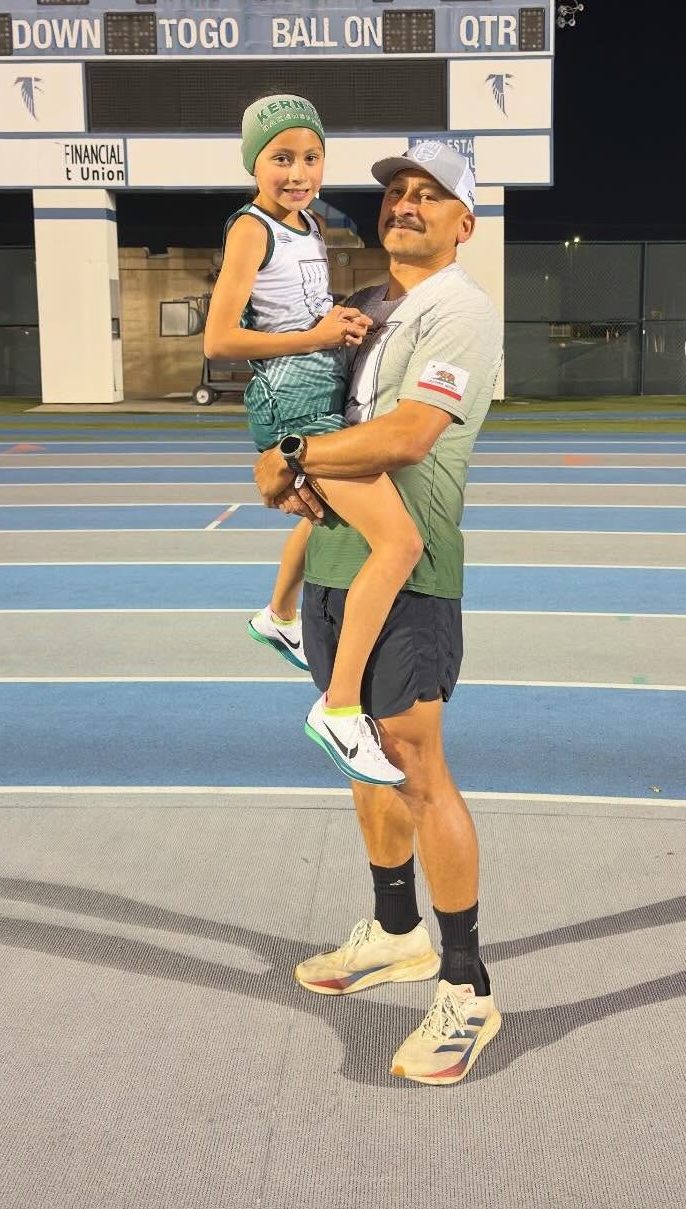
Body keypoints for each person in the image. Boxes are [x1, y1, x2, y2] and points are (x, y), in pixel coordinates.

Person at [252, 140, 504, 1085]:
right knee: (362, 757)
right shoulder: (371, 306)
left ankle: (467, 987)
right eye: (397, 191)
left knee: (417, 768)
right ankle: (397, 932)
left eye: (429, 195)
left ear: (463, 223)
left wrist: (290, 458)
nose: (405, 204)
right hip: (335, 560)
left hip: (409, 572)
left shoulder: (461, 311)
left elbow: (407, 436)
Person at [204, 94, 422, 787]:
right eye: (281, 158)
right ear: (254, 163)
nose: (298, 172)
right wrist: (317, 336)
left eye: (311, 157)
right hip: (290, 396)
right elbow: (220, 340)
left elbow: (300, 310)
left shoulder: (311, 223)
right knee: (400, 543)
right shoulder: (251, 228)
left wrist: (336, 324)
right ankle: (339, 707)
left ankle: (278, 614)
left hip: (318, 381)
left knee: (327, 514)